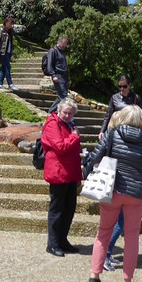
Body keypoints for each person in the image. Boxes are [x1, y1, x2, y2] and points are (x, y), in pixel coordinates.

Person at [88, 105, 142, 282]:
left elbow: (96, 156)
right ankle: (127, 281)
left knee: (103, 232)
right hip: (136, 193)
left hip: (112, 189)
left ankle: (94, 276)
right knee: (132, 236)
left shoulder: (112, 134)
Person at [42, 98, 82, 256]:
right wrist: (74, 137)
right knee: (57, 209)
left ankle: (62, 240)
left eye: (70, 113)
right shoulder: (53, 124)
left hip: (70, 172)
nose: (67, 115)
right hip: (58, 171)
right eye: (65, 112)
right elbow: (60, 147)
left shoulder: (70, 125)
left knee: (69, 208)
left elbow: (74, 152)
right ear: (59, 111)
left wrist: (78, 176)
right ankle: (53, 244)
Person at [44, 36, 70, 114]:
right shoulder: (53, 51)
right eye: (65, 43)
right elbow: (49, 65)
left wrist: (67, 79)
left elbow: (64, 66)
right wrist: (53, 75)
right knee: (63, 96)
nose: (66, 45)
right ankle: (51, 112)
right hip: (58, 76)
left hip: (64, 77)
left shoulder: (62, 52)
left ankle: (54, 113)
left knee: (63, 96)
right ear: (59, 42)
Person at [0, 17, 17, 90]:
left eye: (11, 24)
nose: (11, 25)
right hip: (2, 52)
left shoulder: (10, 32)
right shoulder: (0, 30)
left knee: (4, 68)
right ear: (5, 23)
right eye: (10, 23)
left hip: (8, 52)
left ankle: (0, 83)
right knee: (7, 67)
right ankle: (10, 84)